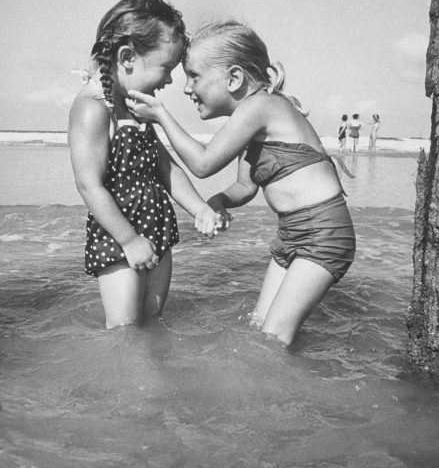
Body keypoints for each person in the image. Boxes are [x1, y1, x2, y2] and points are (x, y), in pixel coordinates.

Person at [126, 21, 356, 346]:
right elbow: (245, 187)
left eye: (194, 76)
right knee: (260, 328)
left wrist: (162, 116)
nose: (187, 88)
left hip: (324, 235)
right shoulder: (251, 122)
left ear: (234, 78)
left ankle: (284, 395)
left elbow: (203, 163)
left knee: (275, 337)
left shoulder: (260, 106)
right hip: (292, 234)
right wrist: (220, 202)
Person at [68, 0, 222, 329]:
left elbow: (166, 169)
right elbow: (88, 185)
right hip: (118, 236)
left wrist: (199, 208)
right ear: (126, 57)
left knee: (152, 321)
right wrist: (128, 240)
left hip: (157, 228)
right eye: (166, 68)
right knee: (124, 330)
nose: (169, 81)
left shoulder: (137, 108)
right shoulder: (94, 107)